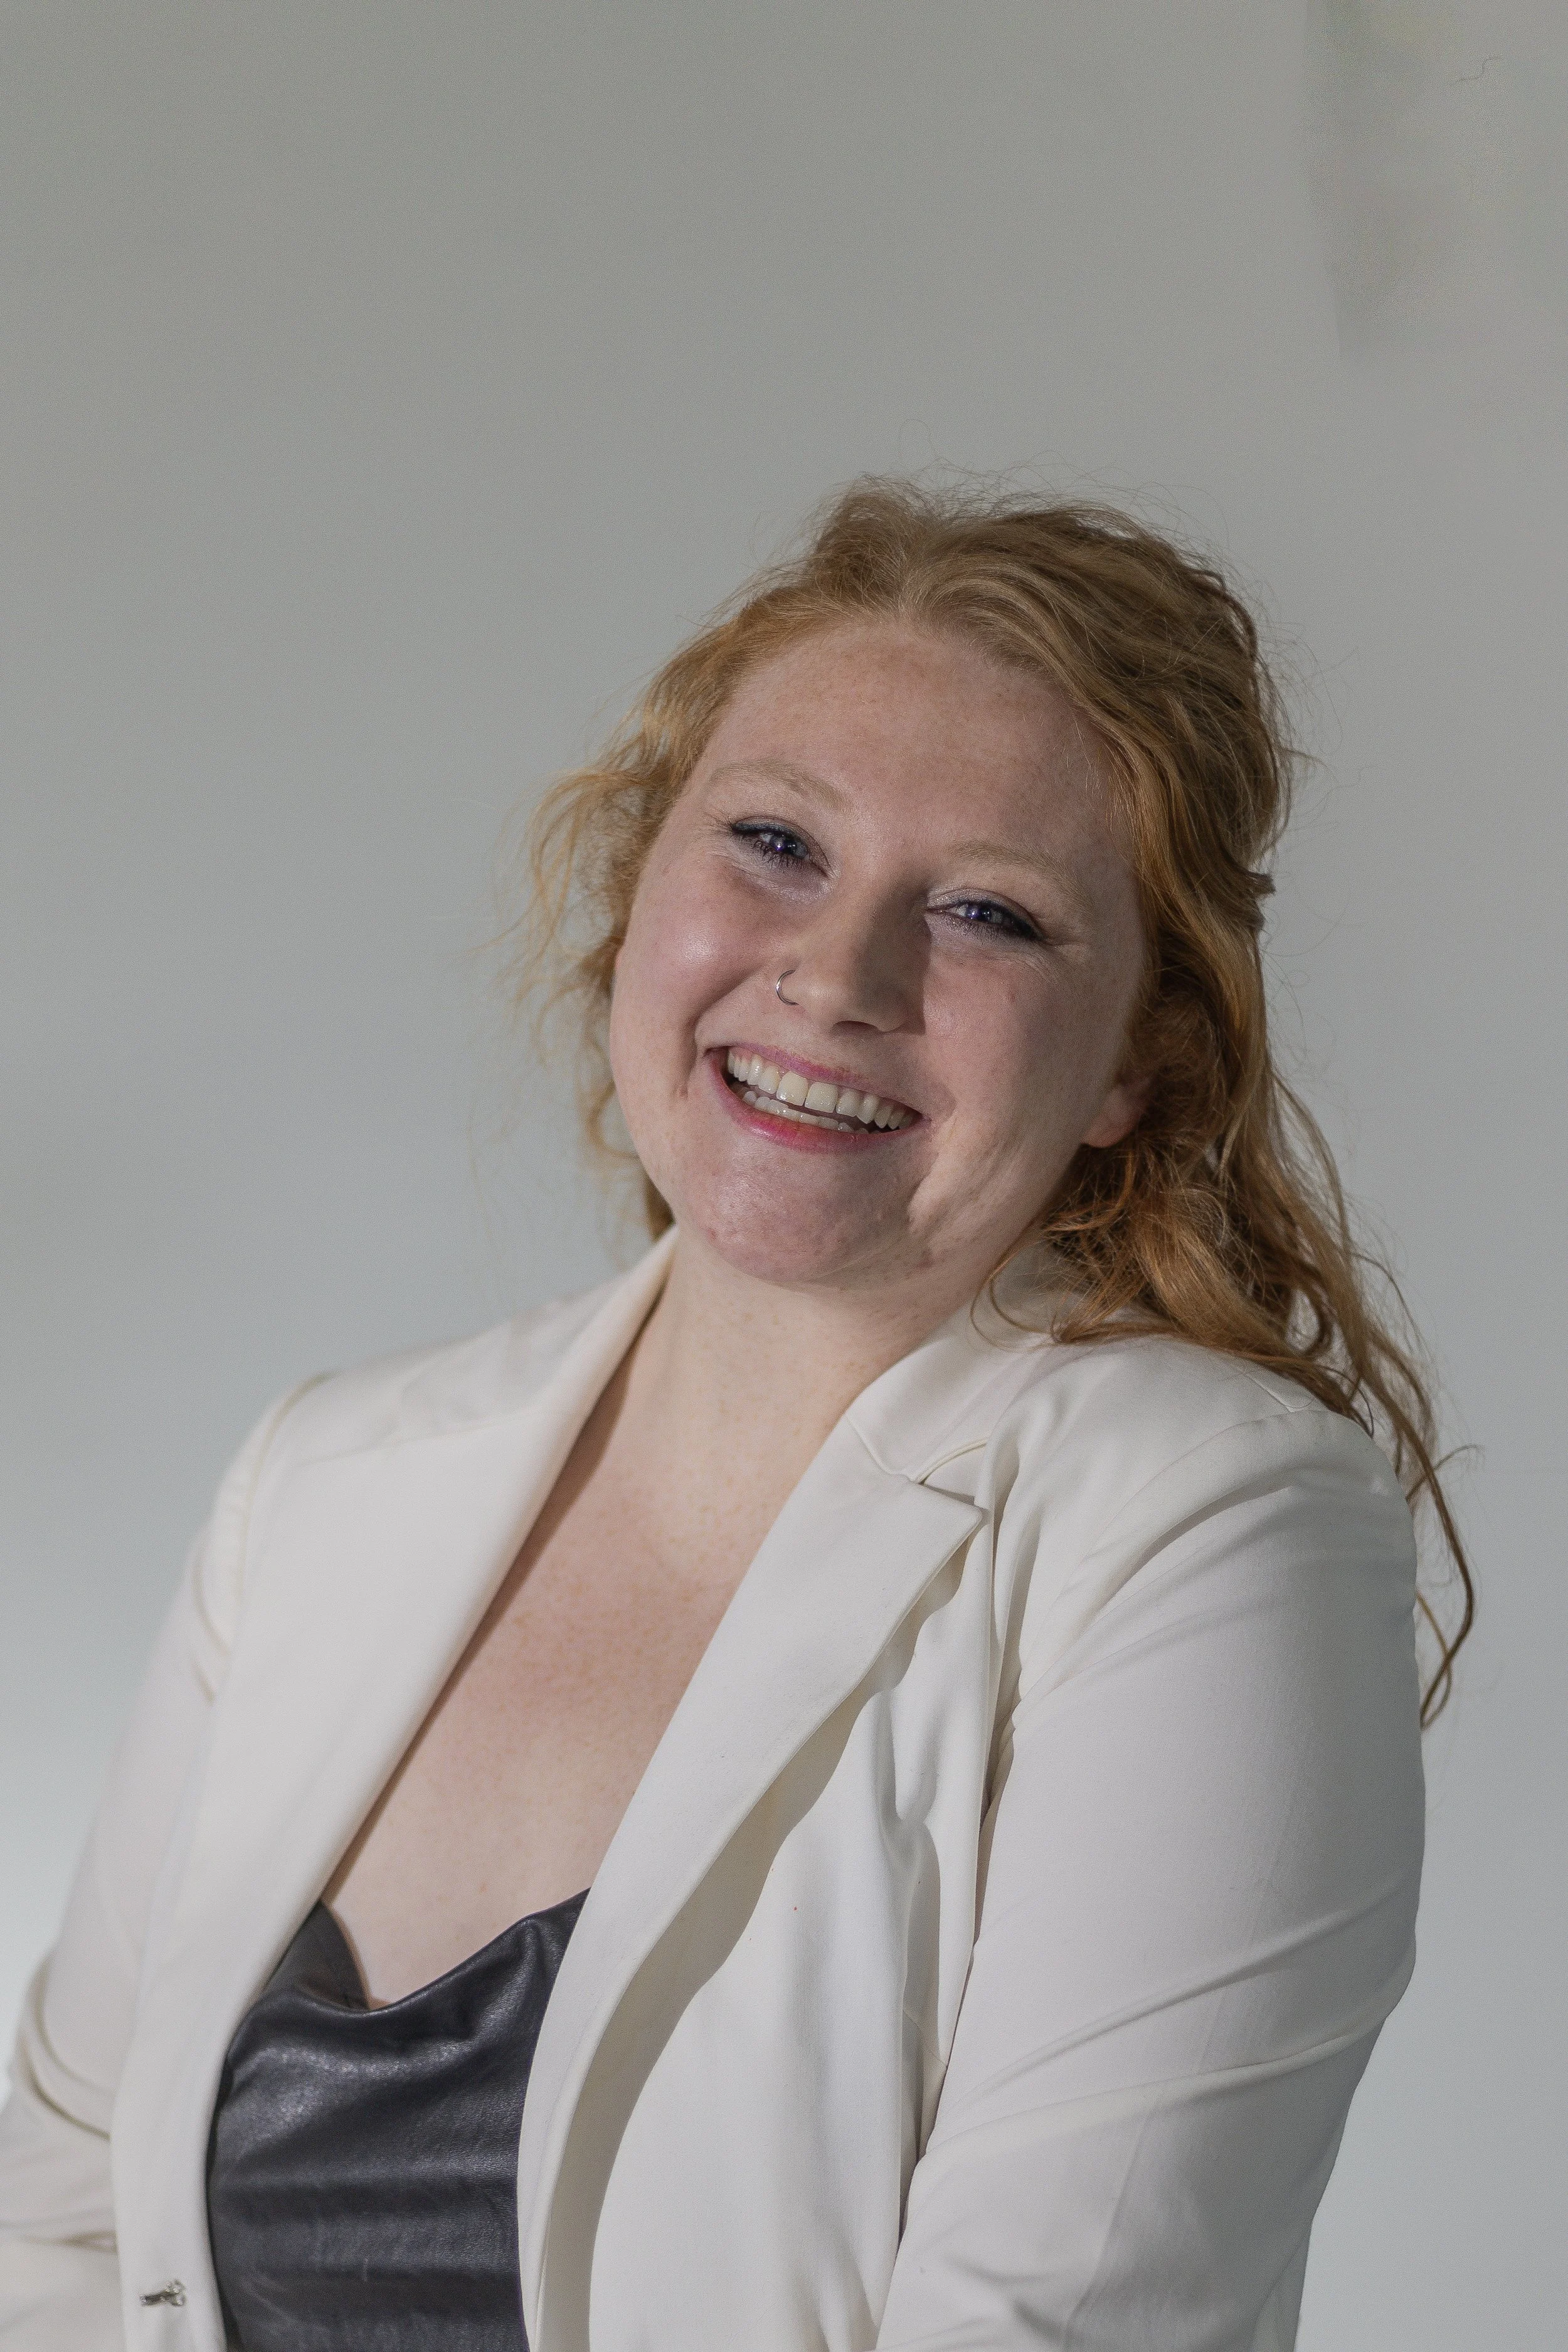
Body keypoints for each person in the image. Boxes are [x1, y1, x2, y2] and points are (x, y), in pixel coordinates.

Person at [0, 480, 1472, 2352]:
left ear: (1135, 1061)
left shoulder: (1210, 1526)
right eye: (775, 842)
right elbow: (54, 2220)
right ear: (641, 887)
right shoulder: (327, 1482)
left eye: (988, 914)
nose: (839, 977)